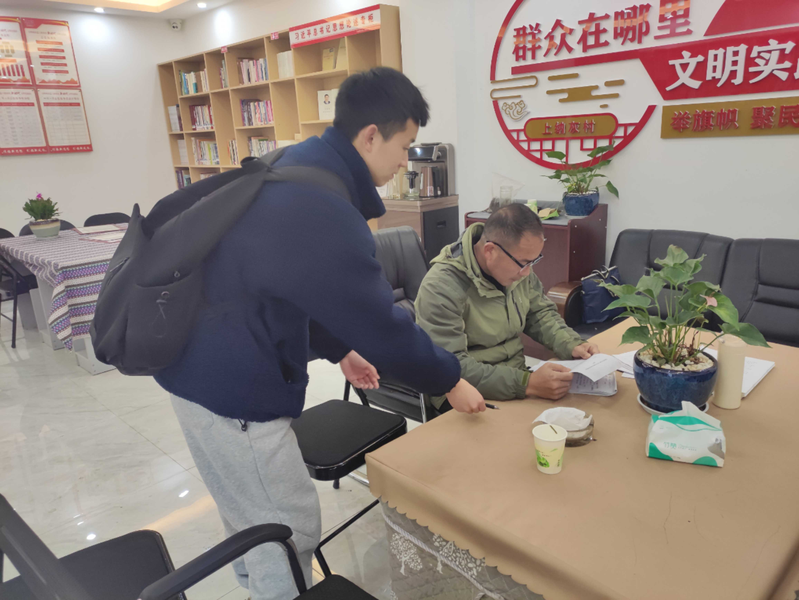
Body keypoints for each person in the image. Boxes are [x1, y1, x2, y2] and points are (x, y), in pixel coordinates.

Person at [153, 67, 485, 600]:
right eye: (404, 146)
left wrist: (339, 348)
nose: (406, 162)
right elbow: (382, 323)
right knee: (284, 529)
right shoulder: (319, 204)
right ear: (371, 136)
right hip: (232, 388)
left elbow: (293, 284)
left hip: (196, 370)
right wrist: (450, 379)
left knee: (249, 514)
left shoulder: (295, 163)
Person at [415, 203, 599, 412]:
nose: (527, 272)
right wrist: (526, 384)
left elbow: (539, 313)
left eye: (533, 262)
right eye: (524, 263)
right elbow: (451, 368)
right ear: (490, 251)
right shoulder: (441, 287)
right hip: (466, 397)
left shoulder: (515, 267)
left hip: (514, 379)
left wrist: (571, 343)